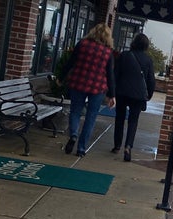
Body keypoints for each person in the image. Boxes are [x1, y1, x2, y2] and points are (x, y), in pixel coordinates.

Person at [60, 23, 116, 157]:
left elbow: (70, 62)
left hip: (78, 83)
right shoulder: (108, 53)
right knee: (91, 116)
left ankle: (73, 134)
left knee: (75, 111)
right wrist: (112, 95)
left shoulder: (82, 44)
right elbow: (110, 75)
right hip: (97, 87)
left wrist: (61, 77)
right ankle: (81, 148)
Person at [112, 33, 155, 161]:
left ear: (134, 43)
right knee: (133, 121)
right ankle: (128, 146)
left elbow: (115, 74)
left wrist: (112, 91)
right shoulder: (148, 60)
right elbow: (151, 80)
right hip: (138, 94)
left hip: (122, 92)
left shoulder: (124, 55)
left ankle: (117, 145)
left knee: (119, 118)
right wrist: (149, 95)